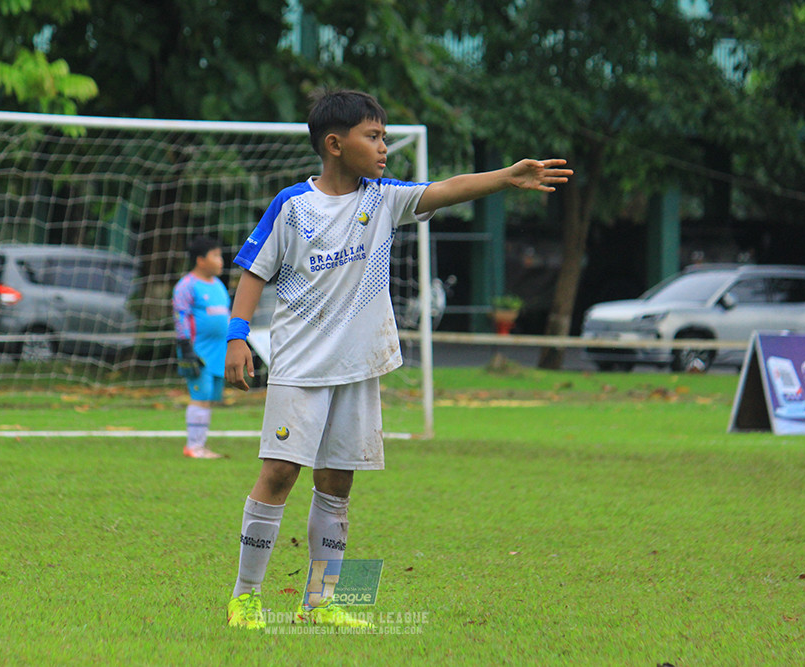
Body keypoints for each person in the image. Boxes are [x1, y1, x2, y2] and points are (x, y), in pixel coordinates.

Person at [224, 89, 572, 630]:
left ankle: (322, 602)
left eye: (385, 136)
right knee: (278, 473)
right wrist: (237, 336)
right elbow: (253, 270)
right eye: (374, 136)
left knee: (338, 484)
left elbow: (447, 189)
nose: (384, 147)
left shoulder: (382, 198)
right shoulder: (293, 206)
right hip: (300, 370)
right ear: (335, 145)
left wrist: (506, 176)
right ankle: (245, 597)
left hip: (360, 368)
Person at [173, 236, 231, 459]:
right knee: (200, 395)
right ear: (200, 260)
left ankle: (200, 445)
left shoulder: (218, 285)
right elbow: (181, 317)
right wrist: (186, 347)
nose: (221, 260)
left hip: (219, 352)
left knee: (209, 397)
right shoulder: (186, 286)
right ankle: (193, 447)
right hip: (198, 351)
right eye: (215, 255)